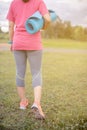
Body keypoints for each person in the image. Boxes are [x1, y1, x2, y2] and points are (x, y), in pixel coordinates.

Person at [6, 0, 51, 120]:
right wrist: (43, 27)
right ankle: (36, 103)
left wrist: (11, 42)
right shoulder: (39, 2)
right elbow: (48, 19)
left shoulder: (14, 3)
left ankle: (22, 102)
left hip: (18, 42)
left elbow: (11, 26)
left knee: (19, 72)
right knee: (36, 72)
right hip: (34, 43)